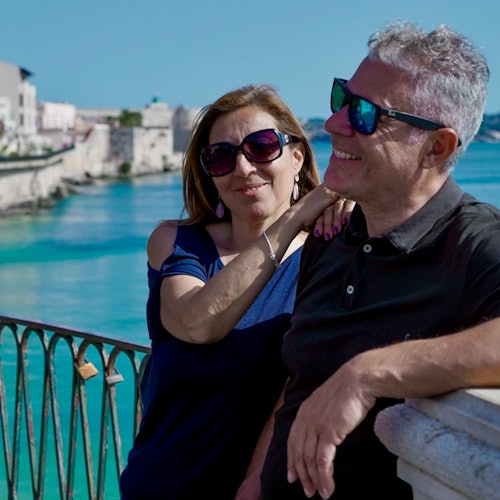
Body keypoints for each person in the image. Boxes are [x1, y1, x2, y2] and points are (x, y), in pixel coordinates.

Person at [257, 22, 500, 499]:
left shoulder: (477, 244)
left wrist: (369, 373)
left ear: (436, 147)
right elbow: (300, 381)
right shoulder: (332, 237)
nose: (334, 123)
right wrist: (252, 482)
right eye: (342, 98)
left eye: (365, 114)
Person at [119, 84, 353, 499]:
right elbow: (198, 323)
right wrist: (297, 214)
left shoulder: (326, 260)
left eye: (262, 148)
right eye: (222, 157)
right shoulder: (177, 243)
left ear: (297, 157)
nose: (243, 168)